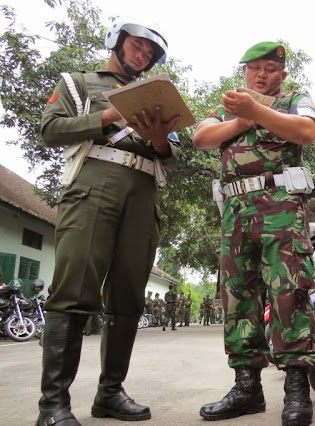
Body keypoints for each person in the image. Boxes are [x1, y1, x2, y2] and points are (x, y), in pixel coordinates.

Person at [36, 18, 181, 426]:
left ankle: (110, 394)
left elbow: (175, 157)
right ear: (117, 42)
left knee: (128, 296)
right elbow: (50, 129)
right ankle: (53, 407)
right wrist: (109, 115)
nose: (142, 55)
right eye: (137, 46)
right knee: (75, 289)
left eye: (149, 53)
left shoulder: (155, 96)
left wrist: (158, 139)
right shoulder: (79, 82)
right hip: (93, 186)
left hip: (144, 191)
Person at [193, 41, 315, 426]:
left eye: (269, 68)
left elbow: (307, 131)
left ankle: (296, 390)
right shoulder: (230, 105)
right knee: (237, 296)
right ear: (244, 72)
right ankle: (247, 388)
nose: (261, 74)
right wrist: (242, 120)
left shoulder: (295, 98)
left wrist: (259, 112)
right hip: (234, 212)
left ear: (282, 74)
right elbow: (202, 137)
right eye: (254, 68)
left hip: (279, 205)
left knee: (289, 292)